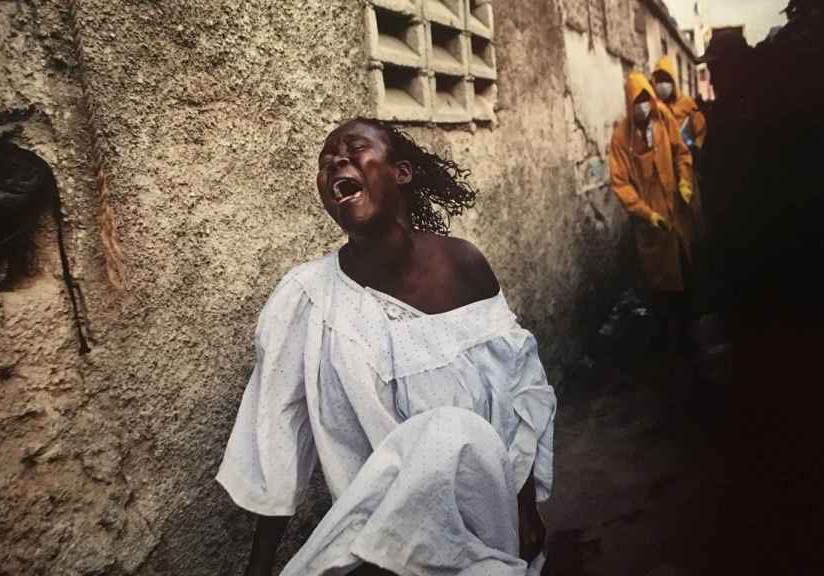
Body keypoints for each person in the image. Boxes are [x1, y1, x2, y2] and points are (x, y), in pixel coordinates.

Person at [217, 118, 556, 576]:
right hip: (383, 547)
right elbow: (277, 440)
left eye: (354, 147)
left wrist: (525, 506)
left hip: (485, 526)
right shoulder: (307, 299)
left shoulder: (463, 266)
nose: (336, 160)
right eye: (325, 162)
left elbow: (517, 388)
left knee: (453, 432)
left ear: (401, 173)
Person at [608, 73, 696, 352]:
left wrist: (684, 180)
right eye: (638, 101)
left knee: (686, 271)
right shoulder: (621, 137)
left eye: (646, 98)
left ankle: (688, 331)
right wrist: (646, 214)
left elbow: (681, 153)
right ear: (629, 103)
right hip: (650, 225)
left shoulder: (665, 121)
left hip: (676, 214)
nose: (643, 105)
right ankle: (666, 341)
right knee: (658, 282)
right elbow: (620, 183)